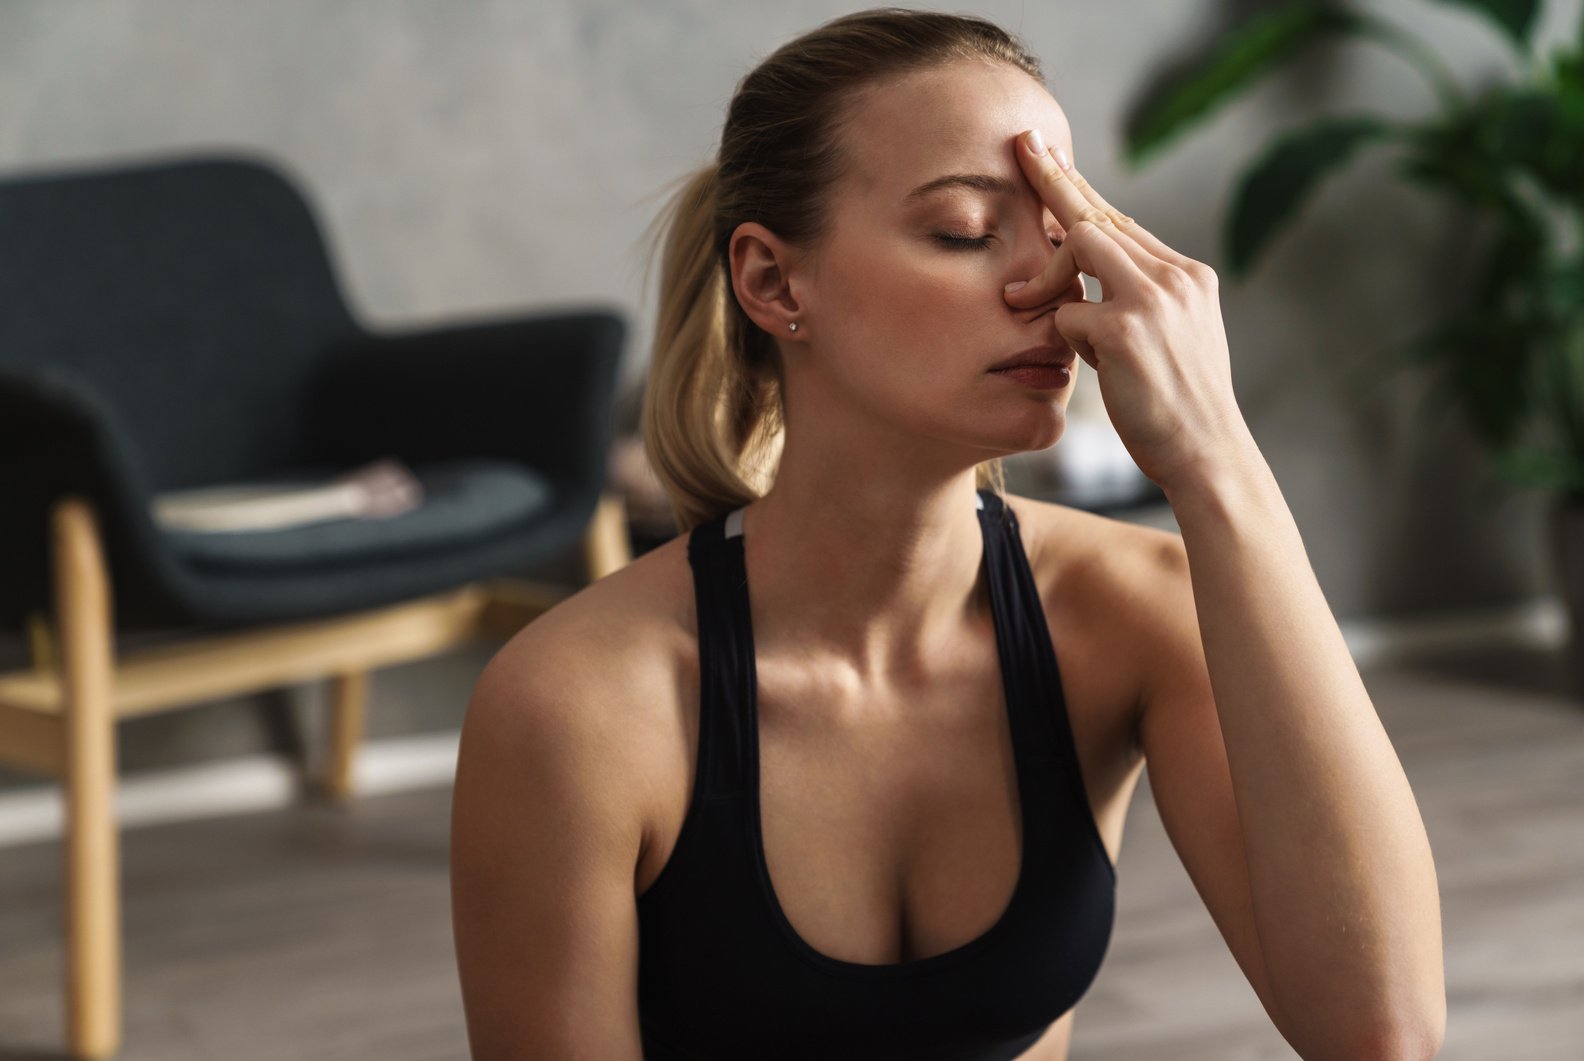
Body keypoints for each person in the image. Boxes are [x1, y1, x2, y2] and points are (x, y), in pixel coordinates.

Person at [450, 8, 1446, 1060]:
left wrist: (1218, 459)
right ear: (773, 282)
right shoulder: (578, 705)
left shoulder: (1130, 610)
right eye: (969, 231)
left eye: (1063, 231)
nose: (1049, 282)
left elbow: (1375, 1029)